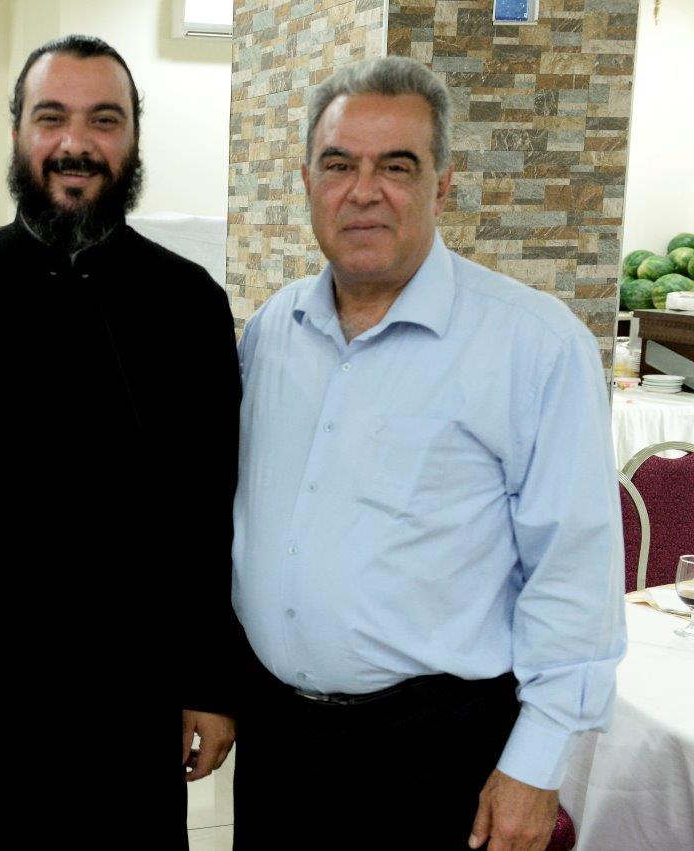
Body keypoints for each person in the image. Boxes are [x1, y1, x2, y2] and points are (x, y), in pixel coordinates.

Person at [232, 56, 625, 850]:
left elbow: (574, 573)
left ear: (443, 185)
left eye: (397, 166)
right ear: (307, 181)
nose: (364, 190)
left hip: (437, 756)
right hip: (277, 745)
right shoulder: (274, 331)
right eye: (339, 164)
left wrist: (536, 763)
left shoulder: (533, 345)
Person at [0, 34, 243, 847]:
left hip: (132, 695)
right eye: (51, 117)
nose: (75, 143)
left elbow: (210, 506)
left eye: (104, 120)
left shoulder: (188, 305)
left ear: (134, 137)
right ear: (17, 131)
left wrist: (210, 681)